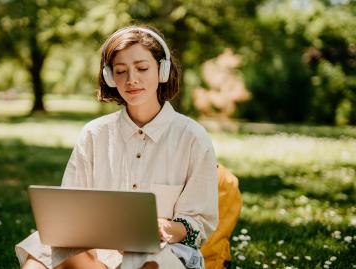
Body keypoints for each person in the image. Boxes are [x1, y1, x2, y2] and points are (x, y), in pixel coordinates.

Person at [15, 25, 218, 269]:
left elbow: (199, 224)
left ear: (162, 70)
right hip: (100, 258)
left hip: (166, 257)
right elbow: (70, 213)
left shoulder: (192, 137)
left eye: (142, 68)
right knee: (44, 244)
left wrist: (163, 228)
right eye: (120, 71)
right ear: (110, 77)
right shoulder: (94, 134)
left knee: (141, 255)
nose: (131, 79)